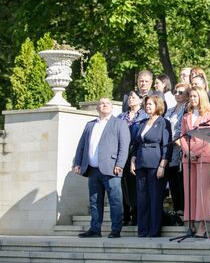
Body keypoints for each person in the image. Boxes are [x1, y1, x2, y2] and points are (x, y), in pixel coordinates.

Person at [73, 98, 130, 238]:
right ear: (97, 107)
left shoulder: (119, 123)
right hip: (92, 169)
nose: (104, 105)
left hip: (111, 168)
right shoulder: (90, 125)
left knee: (115, 201)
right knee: (94, 201)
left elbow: (124, 146)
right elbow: (82, 145)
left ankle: (116, 230)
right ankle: (95, 229)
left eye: (107, 103)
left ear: (112, 107)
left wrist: (120, 164)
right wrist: (77, 163)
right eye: (101, 103)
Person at [130, 95, 172, 237]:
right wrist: (133, 160)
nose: (148, 106)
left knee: (155, 198)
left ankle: (154, 231)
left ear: (158, 105)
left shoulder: (163, 122)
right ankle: (143, 230)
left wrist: (162, 165)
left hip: (156, 164)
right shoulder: (142, 122)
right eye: (146, 104)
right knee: (142, 198)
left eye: (151, 104)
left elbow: (166, 146)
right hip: (141, 163)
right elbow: (136, 144)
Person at [180, 88, 210, 237]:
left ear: (201, 97)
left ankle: (202, 224)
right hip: (189, 157)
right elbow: (182, 136)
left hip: (204, 156)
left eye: (195, 96)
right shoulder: (186, 116)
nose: (192, 98)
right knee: (190, 191)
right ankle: (190, 223)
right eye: (191, 96)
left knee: (202, 191)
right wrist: (188, 152)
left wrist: (197, 152)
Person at [117, 91, 148, 226]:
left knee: (135, 185)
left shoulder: (144, 116)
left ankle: (135, 214)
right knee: (123, 185)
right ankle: (125, 214)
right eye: (129, 97)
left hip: (136, 153)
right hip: (122, 154)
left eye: (134, 97)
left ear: (141, 100)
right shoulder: (121, 116)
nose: (130, 99)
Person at [164, 83, 190, 215]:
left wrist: (177, 139)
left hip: (180, 147)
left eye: (181, 92)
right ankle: (177, 207)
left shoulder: (188, 108)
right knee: (172, 178)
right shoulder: (170, 109)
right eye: (175, 91)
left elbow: (184, 126)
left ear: (187, 94)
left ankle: (183, 208)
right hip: (169, 148)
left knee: (181, 179)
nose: (177, 94)